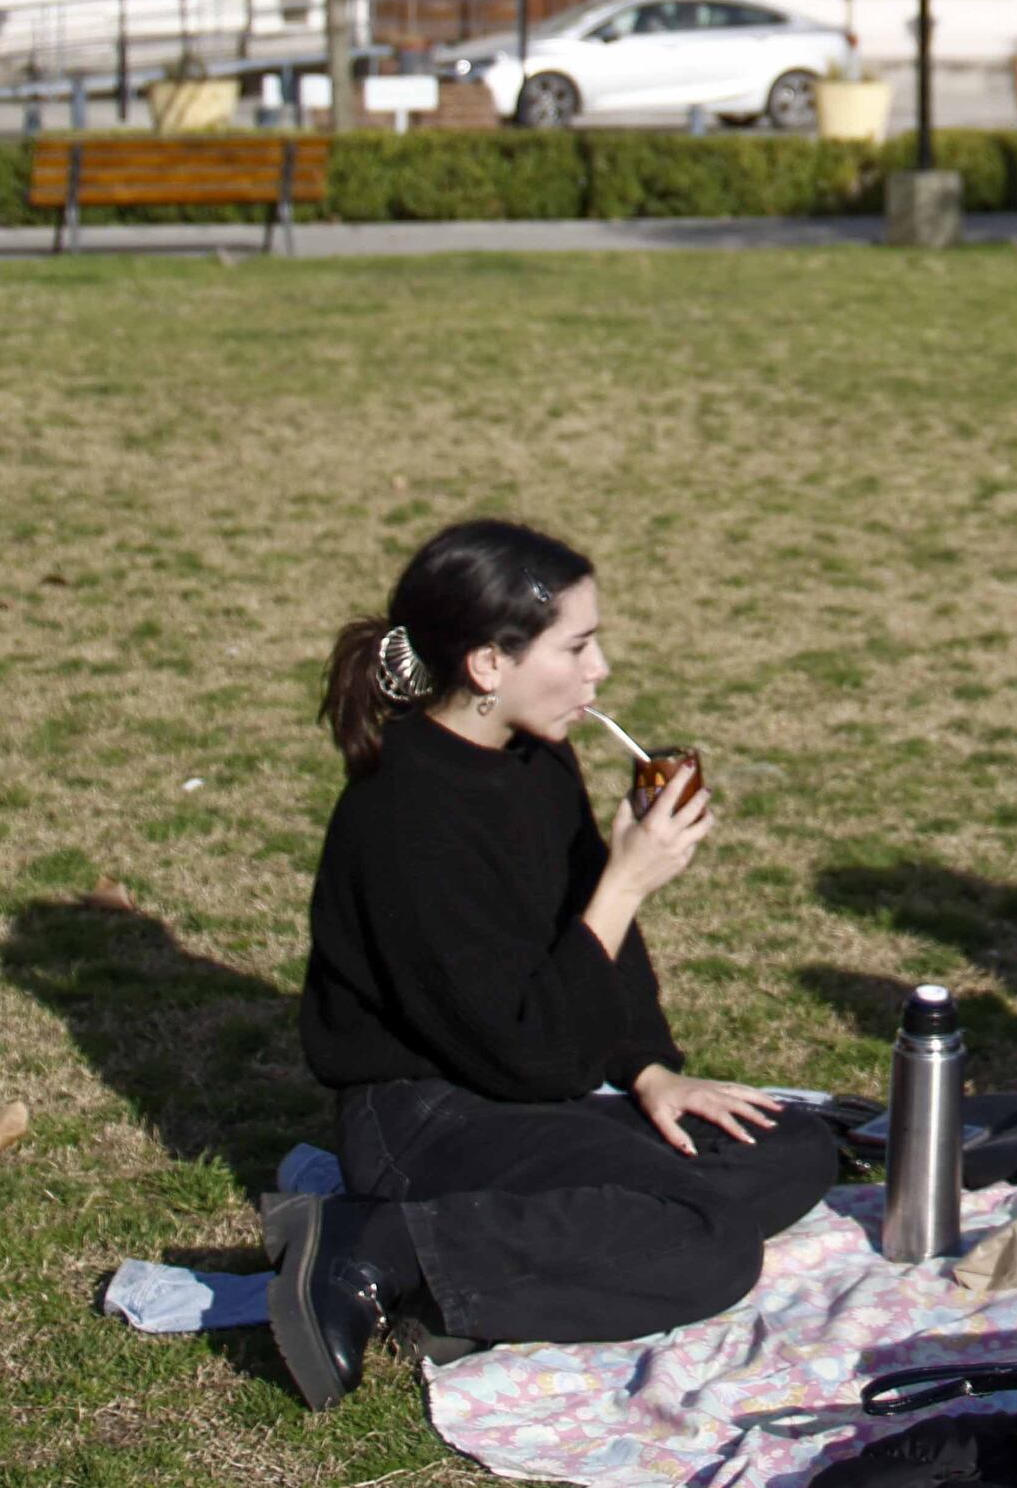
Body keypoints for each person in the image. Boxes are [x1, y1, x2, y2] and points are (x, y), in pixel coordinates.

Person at [263, 519, 835, 1412]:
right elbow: (526, 1050)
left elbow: (591, 954)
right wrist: (626, 882)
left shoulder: (537, 757)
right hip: (428, 1113)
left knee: (794, 1144)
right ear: (490, 663)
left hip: (528, 1083)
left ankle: (506, 1266)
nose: (599, 668)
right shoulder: (406, 812)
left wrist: (649, 1071)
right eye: (577, 644)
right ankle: (378, 1243)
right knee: (710, 1240)